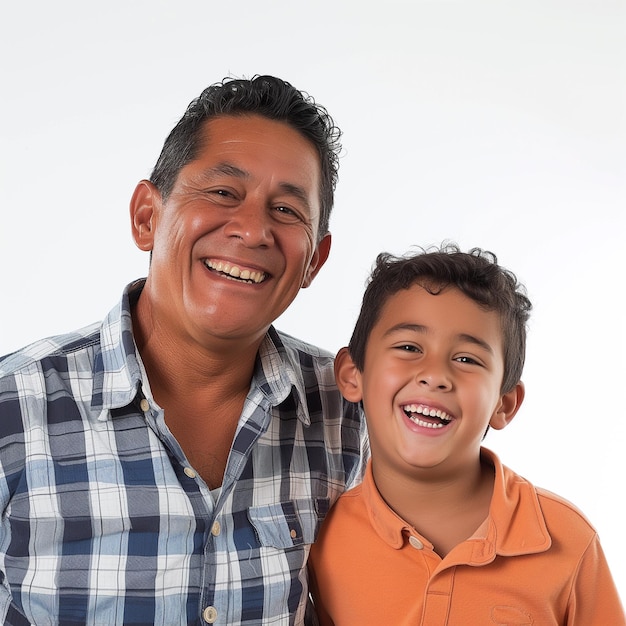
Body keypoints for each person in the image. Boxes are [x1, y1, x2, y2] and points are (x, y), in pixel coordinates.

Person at [0, 75, 368, 626]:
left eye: (287, 211)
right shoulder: (14, 406)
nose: (252, 230)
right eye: (223, 192)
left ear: (315, 259)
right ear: (147, 216)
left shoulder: (351, 411)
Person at [308, 244, 624, 625]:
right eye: (409, 347)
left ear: (504, 404)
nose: (435, 375)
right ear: (352, 375)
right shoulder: (323, 536)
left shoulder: (566, 539)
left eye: (466, 359)